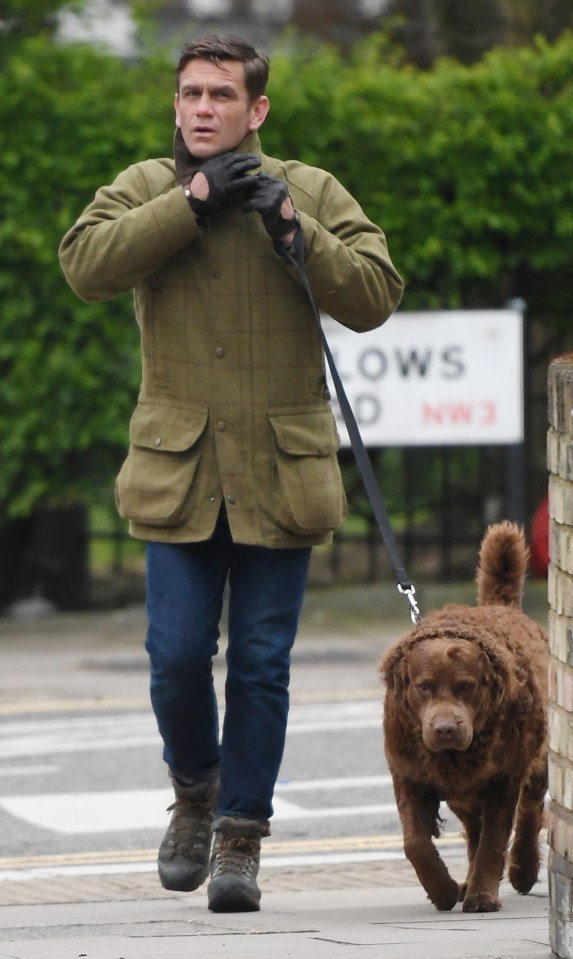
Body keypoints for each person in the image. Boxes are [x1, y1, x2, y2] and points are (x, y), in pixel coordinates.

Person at [59, 32, 403, 914]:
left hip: (280, 473)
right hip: (179, 472)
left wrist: (294, 227)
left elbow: (375, 293)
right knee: (174, 657)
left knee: (260, 662)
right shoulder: (144, 186)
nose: (203, 108)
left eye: (221, 95)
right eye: (190, 94)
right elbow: (86, 266)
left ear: (257, 110)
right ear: (175, 105)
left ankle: (242, 835)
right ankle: (195, 793)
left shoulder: (313, 187)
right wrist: (192, 202)